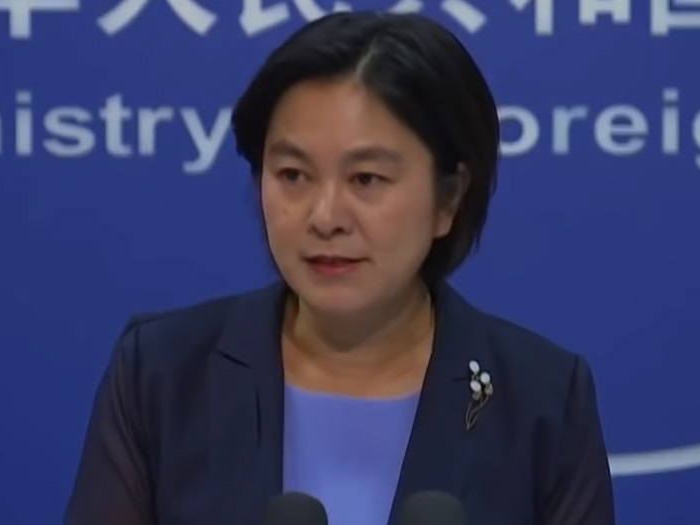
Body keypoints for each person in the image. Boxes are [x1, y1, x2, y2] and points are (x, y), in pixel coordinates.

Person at [64, 10, 615, 525]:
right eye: (293, 176)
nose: (325, 217)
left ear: (448, 198)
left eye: (366, 179)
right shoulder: (162, 375)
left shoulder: (541, 401)